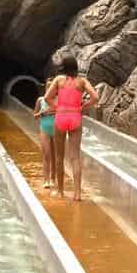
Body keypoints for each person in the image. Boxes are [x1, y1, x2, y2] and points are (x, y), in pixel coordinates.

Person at [44, 53, 99, 202]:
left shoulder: (58, 80)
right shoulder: (82, 81)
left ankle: (61, 191)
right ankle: (77, 194)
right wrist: (83, 107)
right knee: (75, 157)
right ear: (75, 67)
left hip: (61, 116)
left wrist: (57, 107)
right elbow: (95, 97)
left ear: (63, 68)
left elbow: (47, 98)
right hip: (75, 117)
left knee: (60, 157)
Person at [33, 89, 57, 190]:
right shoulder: (40, 100)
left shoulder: (59, 99)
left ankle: (53, 178)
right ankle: (46, 180)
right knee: (46, 154)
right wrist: (43, 113)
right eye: (48, 86)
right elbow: (35, 115)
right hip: (44, 128)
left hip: (57, 129)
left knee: (55, 155)